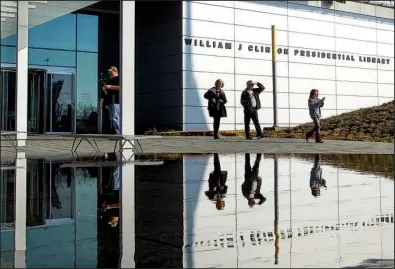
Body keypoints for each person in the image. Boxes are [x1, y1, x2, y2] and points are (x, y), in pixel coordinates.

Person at [102, 66, 121, 135]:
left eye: (110, 72)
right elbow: (107, 93)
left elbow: (120, 87)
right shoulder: (110, 80)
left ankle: (119, 134)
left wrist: (110, 86)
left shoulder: (119, 78)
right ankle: (114, 133)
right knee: (112, 118)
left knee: (116, 118)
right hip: (110, 102)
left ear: (115, 71)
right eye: (109, 72)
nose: (109, 73)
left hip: (116, 101)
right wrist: (105, 90)